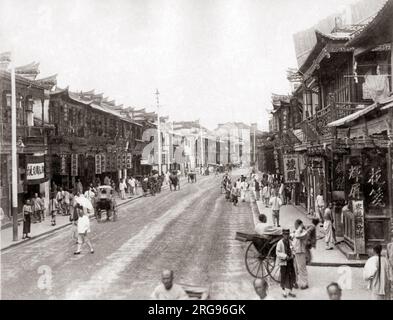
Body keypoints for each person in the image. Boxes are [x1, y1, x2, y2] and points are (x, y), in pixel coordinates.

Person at [276, 229, 296, 298]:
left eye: (287, 234)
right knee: (283, 276)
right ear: (283, 235)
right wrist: (285, 256)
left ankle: (290, 291)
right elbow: (278, 253)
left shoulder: (290, 242)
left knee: (291, 276)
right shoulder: (280, 243)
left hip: (290, 262)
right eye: (285, 234)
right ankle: (283, 291)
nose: (286, 236)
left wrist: (293, 254)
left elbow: (293, 249)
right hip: (283, 262)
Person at [292, 219, 309, 290]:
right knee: (295, 268)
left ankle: (305, 283)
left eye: (295, 224)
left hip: (301, 252)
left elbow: (297, 236)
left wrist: (300, 228)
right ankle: (295, 282)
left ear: (298, 225)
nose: (294, 226)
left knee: (302, 268)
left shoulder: (303, 232)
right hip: (296, 252)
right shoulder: (298, 231)